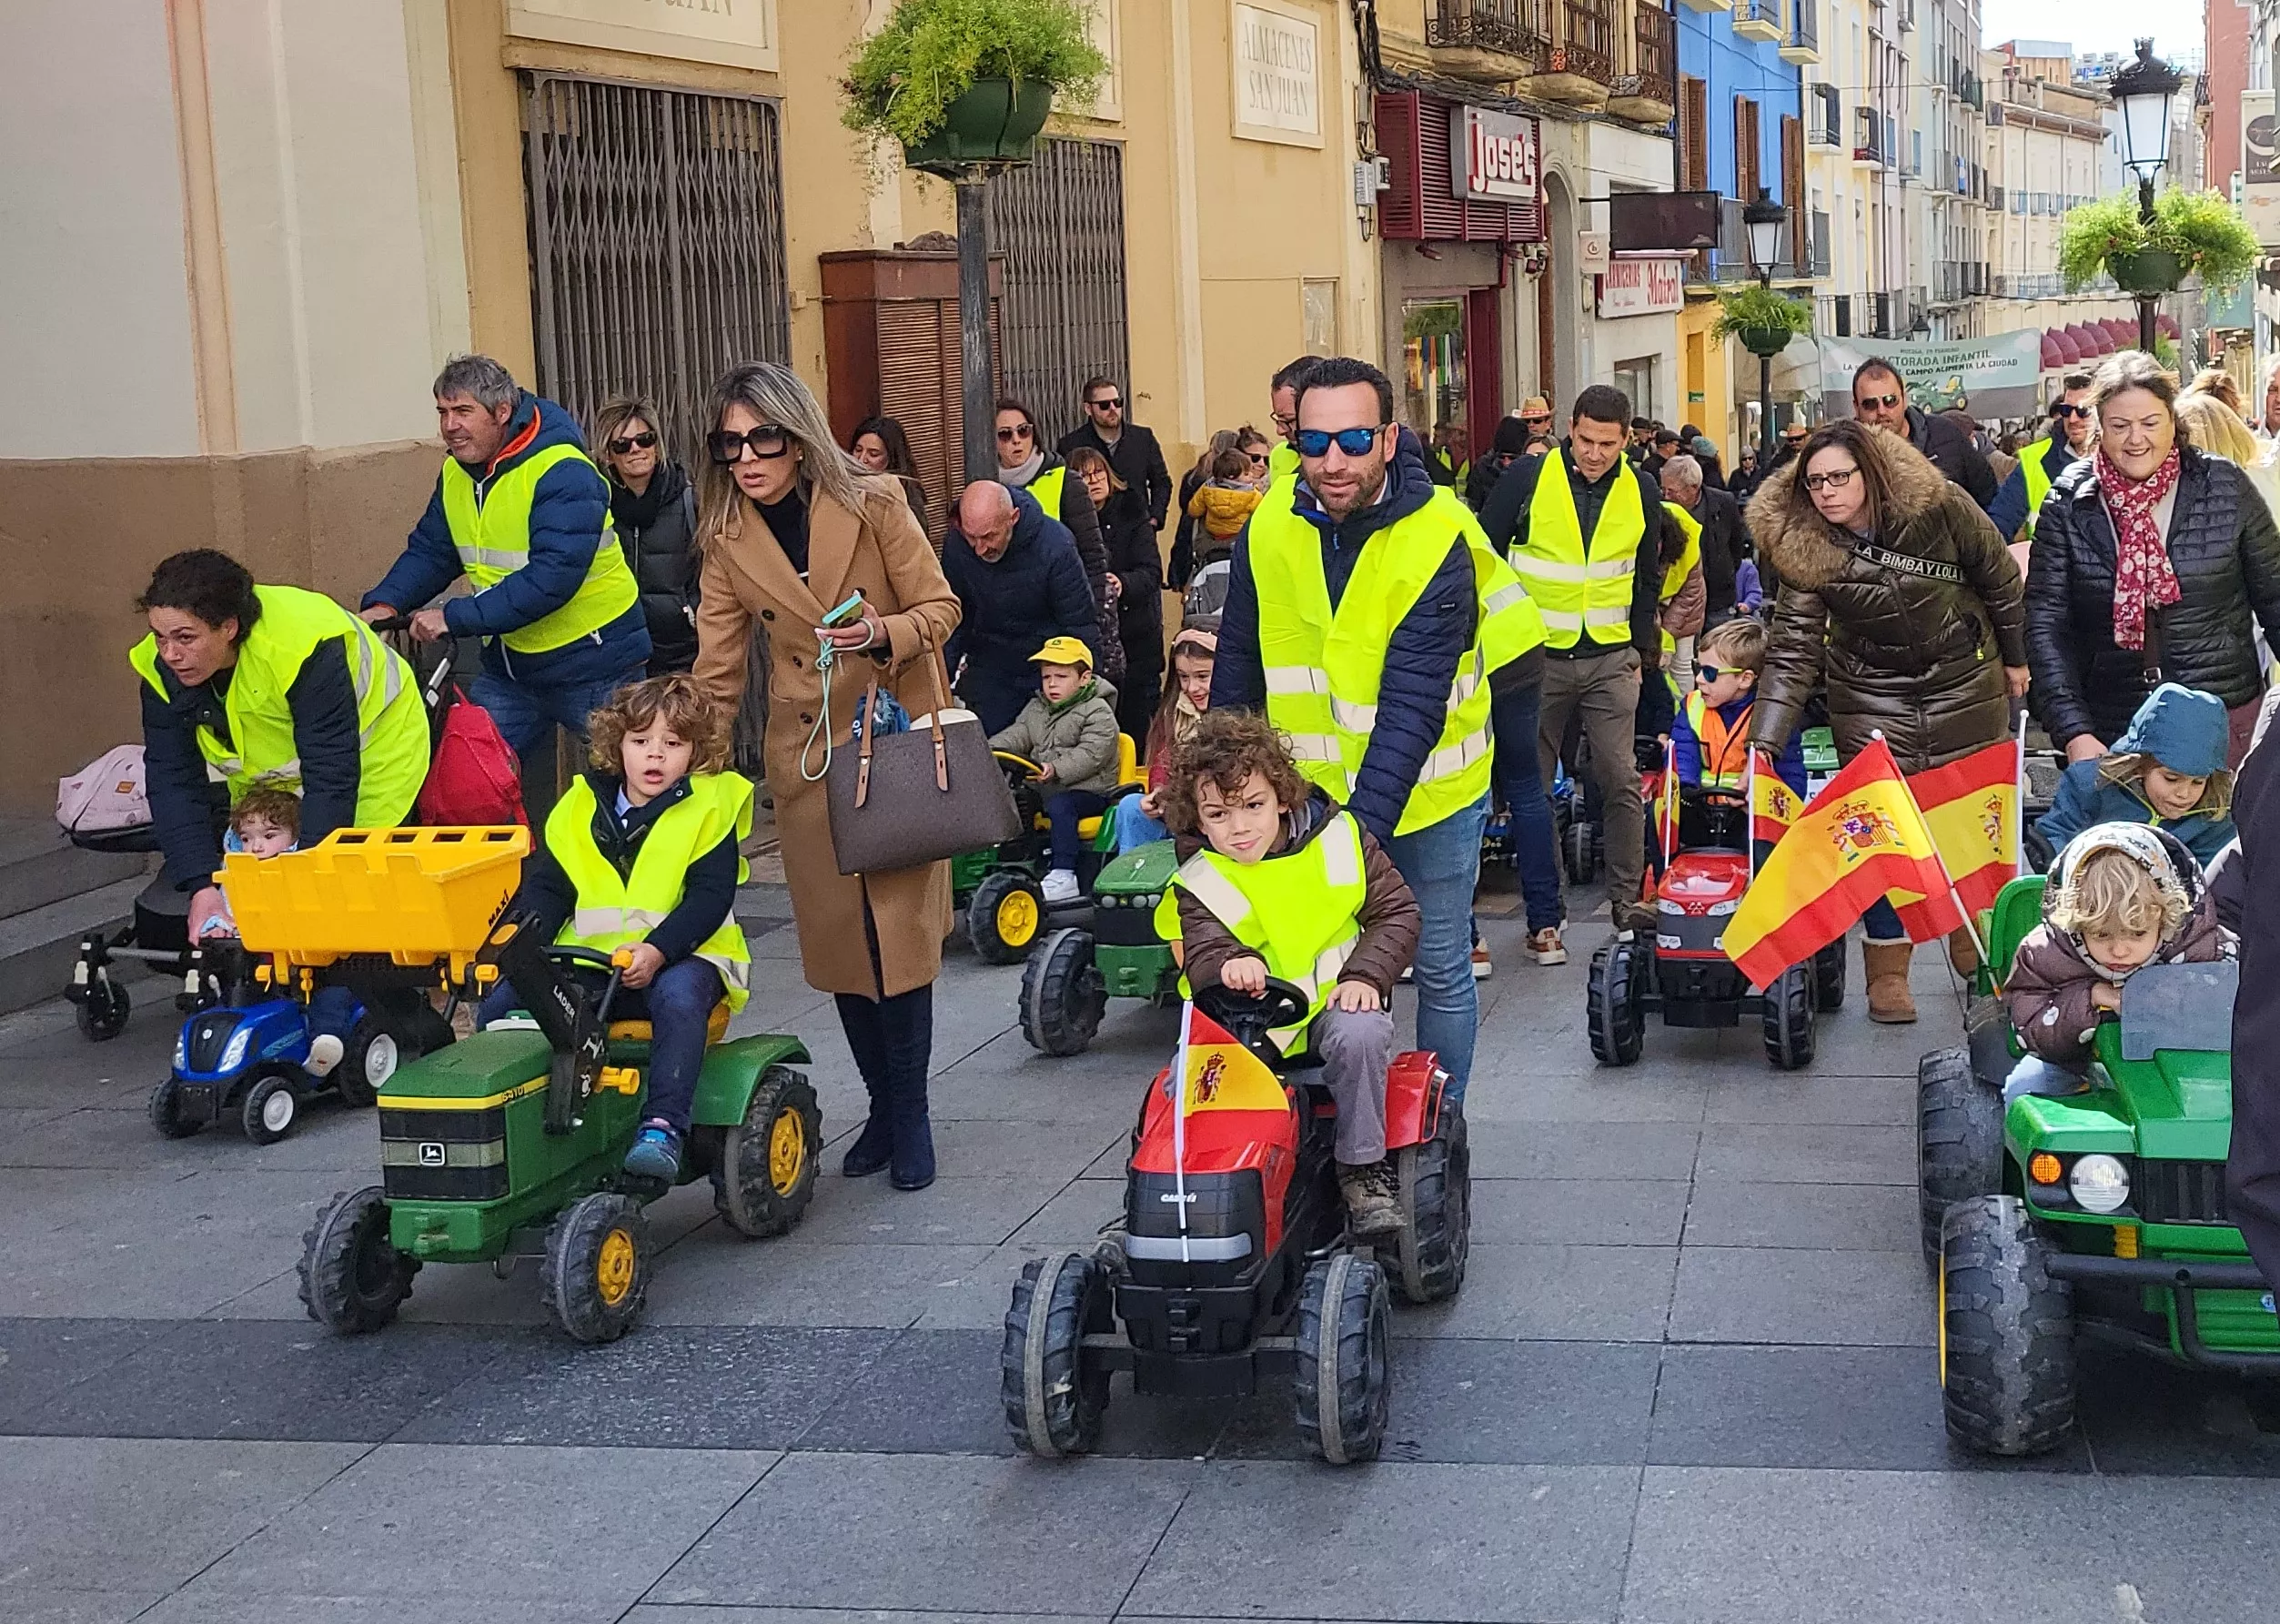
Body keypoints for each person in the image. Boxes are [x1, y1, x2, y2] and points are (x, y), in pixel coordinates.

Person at [1212, 357, 1543, 1107]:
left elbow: (1413, 708)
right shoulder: (1267, 524)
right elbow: (1238, 664)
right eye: (1315, 441)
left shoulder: (1439, 535)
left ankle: (1437, 1126)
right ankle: (1334, 1124)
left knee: (1439, 965)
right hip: (1310, 794)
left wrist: (1355, 837)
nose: (1334, 460)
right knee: (1317, 963)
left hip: (1430, 797)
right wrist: (1217, 792)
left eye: (1356, 439)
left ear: (1390, 440)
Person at [691, 360, 962, 1192]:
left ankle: (910, 1116)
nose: (747, 457)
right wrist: (674, 761)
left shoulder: (875, 502)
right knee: (846, 947)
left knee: (899, 940)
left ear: (798, 437)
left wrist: (883, 631)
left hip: (896, 736)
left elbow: (942, 608)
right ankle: (881, 1104)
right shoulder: (726, 535)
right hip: (808, 754)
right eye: (730, 443)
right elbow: (718, 671)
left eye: (762, 437)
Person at [1746, 418, 2027, 1023]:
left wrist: (2018, 660)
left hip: (1963, 680)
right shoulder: (1803, 544)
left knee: (1968, 824)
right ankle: (1887, 970)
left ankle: (1970, 934)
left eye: (1839, 477)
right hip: (1871, 695)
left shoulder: (1939, 504)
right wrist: (1764, 740)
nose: (1826, 491)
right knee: (1881, 832)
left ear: (1869, 473)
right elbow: (1794, 649)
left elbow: (1998, 576)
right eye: (1815, 481)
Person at [1155, 710, 1421, 1234]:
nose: (1239, 828)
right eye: (1219, 815)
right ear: (1197, 819)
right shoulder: (1199, 878)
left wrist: (1365, 977)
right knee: (1180, 1083)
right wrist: (1230, 964)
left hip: (1335, 1004)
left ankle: (1363, 1168)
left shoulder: (1342, 838)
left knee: (1361, 1036)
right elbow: (1206, 949)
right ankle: (1176, 1187)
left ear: (1281, 797)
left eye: (1253, 806)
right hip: (1247, 1018)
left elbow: (1398, 912)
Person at [485, 675, 752, 1183]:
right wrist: (519, 947)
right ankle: (508, 1125)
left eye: (673, 745)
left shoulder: (711, 806)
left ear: (695, 751)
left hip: (684, 957)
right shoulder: (580, 807)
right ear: (617, 745)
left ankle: (663, 1127)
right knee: (504, 1003)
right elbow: (549, 889)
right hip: (591, 963)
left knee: (676, 999)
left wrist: (657, 950)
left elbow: (709, 899)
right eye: (641, 742)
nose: (656, 757)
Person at [362, 354, 650, 763]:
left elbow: (553, 578)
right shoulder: (457, 472)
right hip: (512, 668)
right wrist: (387, 603)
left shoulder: (561, 468)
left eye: (463, 411)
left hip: (596, 664)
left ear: (502, 412)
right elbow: (432, 549)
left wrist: (454, 617)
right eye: (443, 412)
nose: (450, 425)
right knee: (468, 783)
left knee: (627, 790)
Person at [134, 549, 428, 943]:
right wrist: (201, 887)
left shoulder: (301, 645)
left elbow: (331, 772)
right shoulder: (160, 666)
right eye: (159, 636)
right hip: (273, 780)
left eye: (186, 638)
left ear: (229, 628)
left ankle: (363, 998)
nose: (170, 654)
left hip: (372, 759)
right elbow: (172, 778)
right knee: (257, 912)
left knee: (349, 921)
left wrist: (306, 881)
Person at [2024, 350, 2280, 772]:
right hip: (2113, 729)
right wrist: (2072, 729)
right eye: (2120, 426)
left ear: (2173, 421)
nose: (2135, 439)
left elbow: (2274, 597)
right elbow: (2046, 624)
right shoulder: (2070, 501)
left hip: (2221, 720)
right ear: (2099, 427)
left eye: (2149, 423)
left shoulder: (2225, 487)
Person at [1478, 382, 1672, 938]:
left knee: (1619, 778)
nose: (1594, 454)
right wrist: (1500, 638)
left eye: (1607, 445)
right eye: (1586, 440)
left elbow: (1643, 575)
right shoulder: (1528, 478)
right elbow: (1482, 553)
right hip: (1535, 659)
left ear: (1625, 441)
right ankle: (1548, 910)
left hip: (1612, 657)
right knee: (1532, 787)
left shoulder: (1642, 488)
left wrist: (1643, 650)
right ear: (1570, 429)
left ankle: (1625, 904)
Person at [2003, 824, 2231, 1106]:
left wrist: (2170, 999)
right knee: (2022, 1087)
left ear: (2167, 919)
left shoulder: (2196, 949)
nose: (2120, 950)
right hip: (2073, 1066)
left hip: (2177, 1067)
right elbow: (2029, 1025)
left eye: (2137, 933)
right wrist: (2090, 998)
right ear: (2075, 924)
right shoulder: (2048, 953)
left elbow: (2221, 1009)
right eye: (2101, 934)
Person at [206, 786, 362, 1076]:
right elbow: (224, 906)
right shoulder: (238, 873)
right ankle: (233, 1049)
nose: (256, 847)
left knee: (331, 988)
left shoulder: (301, 869)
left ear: (294, 838)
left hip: (309, 956)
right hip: (262, 958)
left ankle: (326, 1041)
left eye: (269, 836)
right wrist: (221, 926)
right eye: (246, 838)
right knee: (234, 991)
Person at [943, 481, 1100, 733]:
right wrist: (942, 677)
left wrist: (1088, 696)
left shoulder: (1057, 547)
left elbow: (1080, 626)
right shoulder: (957, 544)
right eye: (971, 537)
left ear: (1013, 518)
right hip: (989, 668)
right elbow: (954, 617)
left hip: (1045, 671)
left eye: (989, 536)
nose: (980, 549)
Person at [2033, 682, 2235, 867]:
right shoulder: (2092, 784)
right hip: (2083, 896)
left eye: (2198, 782)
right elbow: (2054, 836)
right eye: (2171, 779)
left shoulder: (2213, 815)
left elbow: (2210, 876)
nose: (2184, 793)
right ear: (2139, 764)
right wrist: (2069, 872)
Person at [994, 397, 1124, 685]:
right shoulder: (986, 488)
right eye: (1005, 435)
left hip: (1062, 623)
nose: (1016, 441)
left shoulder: (1065, 481)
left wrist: (1092, 618)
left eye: (1023, 431)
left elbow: (1093, 557)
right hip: (1008, 629)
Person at [988, 638, 1124, 903]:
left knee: (1063, 805)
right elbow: (1019, 734)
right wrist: (987, 749)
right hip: (1048, 786)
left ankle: (1064, 873)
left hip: (1092, 791)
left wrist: (1055, 769)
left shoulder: (1099, 712)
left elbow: (1091, 755)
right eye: (1046, 676)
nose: (1051, 684)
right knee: (1016, 797)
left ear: (1084, 678)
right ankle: (1015, 860)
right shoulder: (1037, 709)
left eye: (1061, 676)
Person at [592, 395, 701, 676]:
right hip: (621, 652)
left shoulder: (689, 499)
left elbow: (715, 567)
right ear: (608, 454)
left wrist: (693, 612)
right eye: (622, 445)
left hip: (684, 653)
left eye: (645, 439)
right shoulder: (597, 505)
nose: (636, 450)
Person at [1071, 446, 1164, 743]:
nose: (1094, 480)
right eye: (1084, 476)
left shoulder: (1132, 511)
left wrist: (1123, 584)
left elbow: (1151, 572)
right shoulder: (1068, 522)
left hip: (1136, 638)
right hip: (1093, 642)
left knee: (1136, 725)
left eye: (1099, 472)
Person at [1670, 618, 1805, 793]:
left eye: (1710, 673)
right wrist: (1686, 788)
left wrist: (1760, 802)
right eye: (1698, 668)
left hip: (1749, 814)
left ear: (1745, 679)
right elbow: (1682, 754)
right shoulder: (1691, 706)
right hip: (1698, 809)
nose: (1699, 679)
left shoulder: (1772, 717)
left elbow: (1791, 778)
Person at [1849, 358, 2000, 510]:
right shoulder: (1847, 453)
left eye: (1890, 400)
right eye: (1870, 404)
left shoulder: (1945, 433)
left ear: (1904, 399)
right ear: (1856, 407)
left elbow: (1988, 494)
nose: (1881, 411)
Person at [1115, 627, 1216, 850]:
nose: (1192, 688)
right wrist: (1159, 793)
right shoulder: (1172, 714)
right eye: (1183, 677)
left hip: (1216, 810)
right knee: (1131, 807)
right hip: (1178, 809)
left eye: (1202, 676)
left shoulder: (1237, 714)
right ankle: (1132, 881)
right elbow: (1162, 764)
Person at [1056, 375, 1173, 537]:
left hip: (1137, 532)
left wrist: (1154, 518)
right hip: (1092, 532)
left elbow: (1162, 482)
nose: (1112, 408)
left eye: (1117, 402)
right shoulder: (1071, 445)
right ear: (1088, 409)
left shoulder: (1142, 438)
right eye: (1104, 405)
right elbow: (1066, 492)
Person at [1991, 373, 2095, 550]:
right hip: (2047, 567)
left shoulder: (2125, 458)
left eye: (2083, 410)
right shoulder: (2035, 458)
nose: (2073, 419)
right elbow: (1998, 527)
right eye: (2066, 411)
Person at [1660, 452, 1745, 623]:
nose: (1666, 496)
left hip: (1718, 599)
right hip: (1677, 601)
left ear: (1692, 488)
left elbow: (1736, 545)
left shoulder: (1724, 503)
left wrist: (1725, 572)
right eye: (1664, 490)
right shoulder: (1663, 508)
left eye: (1672, 491)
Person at [848, 415, 930, 531]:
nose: (861, 460)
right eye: (858, 450)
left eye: (873, 454)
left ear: (891, 458)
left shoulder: (906, 504)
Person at [1185, 446, 1268, 551]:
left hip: (1213, 538)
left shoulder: (1206, 489)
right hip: (1240, 538)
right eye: (1246, 474)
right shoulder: (1253, 495)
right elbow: (1262, 517)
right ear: (1231, 476)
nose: (1251, 476)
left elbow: (1194, 510)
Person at [1265, 355, 1322, 484]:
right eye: (1278, 418)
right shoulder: (1279, 454)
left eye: (1289, 420)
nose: (1280, 430)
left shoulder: (1348, 459)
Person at [1464, 416, 1533, 510]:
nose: (1506, 462)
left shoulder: (1532, 472)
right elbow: (1472, 504)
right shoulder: (1483, 469)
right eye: (1501, 457)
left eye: (1513, 458)